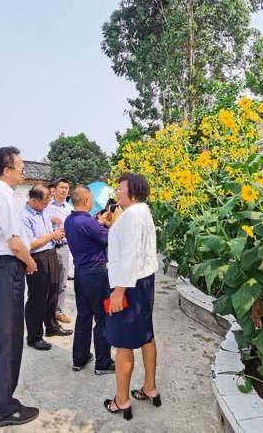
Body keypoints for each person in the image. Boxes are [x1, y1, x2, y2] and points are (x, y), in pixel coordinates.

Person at [0, 146, 39, 427]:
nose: (23, 171)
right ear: (7, 169)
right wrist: (29, 262)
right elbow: (14, 243)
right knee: (10, 335)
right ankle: (6, 406)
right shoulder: (3, 196)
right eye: (20, 167)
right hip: (6, 267)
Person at [103, 173, 160, 421]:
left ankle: (122, 400)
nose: (116, 192)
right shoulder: (140, 212)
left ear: (133, 191)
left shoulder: (133, 216)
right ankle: (149, 388)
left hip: (130, 284)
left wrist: (119, 290)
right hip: (143, 283)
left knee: (123, 342)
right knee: (147, 335)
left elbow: (130, 255)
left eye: (120, 188)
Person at [63, 185, 115, 375]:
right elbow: (108, 238)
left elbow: (90, 233)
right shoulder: (88, 222)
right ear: (86, 201)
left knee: (84, 315)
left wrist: (99, 222)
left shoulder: (69, 221)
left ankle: (80, 357)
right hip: (95, 274)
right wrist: (110, 225)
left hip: (80, 273)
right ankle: (103, 362)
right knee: (102, 317)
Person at [21, 185, 73, 351]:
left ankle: (52, 327)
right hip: (36, 258)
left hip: (51, 253)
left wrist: (56, 233)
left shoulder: (44, 212)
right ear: (34, 200)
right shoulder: (23, 216)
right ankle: (34, 336)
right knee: (37, 298)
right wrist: (52, 235)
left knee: (53, 293)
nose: (46, 205)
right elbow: (30, 244)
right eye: (44, 202)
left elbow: (50, 234)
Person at [45, 178, 72, 324]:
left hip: (63, 248)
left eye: (66, 188)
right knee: (48, 282)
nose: (64, 190)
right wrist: (50, 219)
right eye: (61, 187)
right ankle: (46, 312)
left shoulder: (69, 209)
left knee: (62, 282)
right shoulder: (45, 207)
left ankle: (58, 311)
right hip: (48, 248)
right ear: (54, 190)